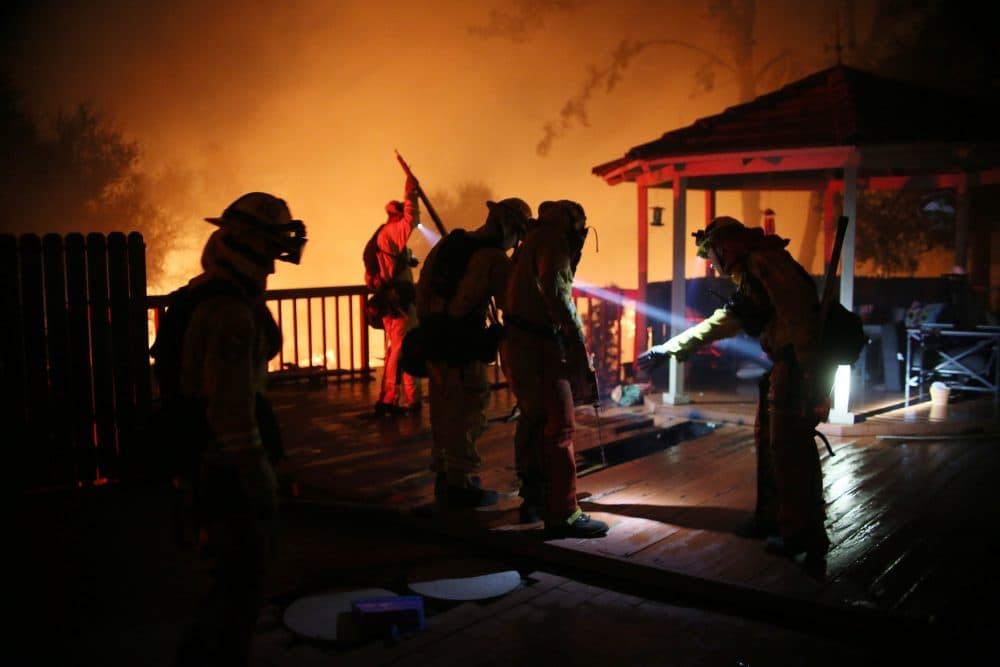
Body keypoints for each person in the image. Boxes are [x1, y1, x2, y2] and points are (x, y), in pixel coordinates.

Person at [637, 215, 830, 563]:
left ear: (726, 248)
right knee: (771, 444)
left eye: (712, 254)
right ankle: (773, 519)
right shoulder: (756, 271)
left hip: (796, 367)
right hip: (785, 366)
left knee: (789, 450)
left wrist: (813, 378)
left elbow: (801, 318)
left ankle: (802, 532)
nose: (711, 264)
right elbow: (723, 321)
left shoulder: (766, 264)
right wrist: (669, 350)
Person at [172, 192, 306, 666]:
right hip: (227, 467)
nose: (275, 261)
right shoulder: (231, 313)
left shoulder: (205, 293)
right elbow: (229, 407)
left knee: (223, 580)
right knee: (242, 579)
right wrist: (257, 476)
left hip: (205, 461)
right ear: (248, 243)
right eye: (271, 247)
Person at [415, 198, 531, 509]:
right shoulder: (493, 259)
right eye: (517, 235)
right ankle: (460, 484)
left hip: (435, 340)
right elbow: (514, 303)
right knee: (467, 412)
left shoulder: (448, 246)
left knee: (442, 410)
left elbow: (421, 291)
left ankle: (445, 474)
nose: (515, 243)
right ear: (507, 227)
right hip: (464, 348)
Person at [502, 199, 608, 538]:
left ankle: (533, 498)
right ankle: (563, 512)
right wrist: (578, 347)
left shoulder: (530, 241)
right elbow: (558, 293)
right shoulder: (553, 242)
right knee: (560, 425)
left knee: (533, 419)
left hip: (517, 343)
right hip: (540, 347)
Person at [367, 175, 423, 416]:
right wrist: (411, 192)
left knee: (404, 349)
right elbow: (412, 220)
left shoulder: (384, 237)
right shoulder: (391, 233)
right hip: (398, 303)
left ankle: (411, 398)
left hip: (400, 301)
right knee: (400, 350)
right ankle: (390, 399)